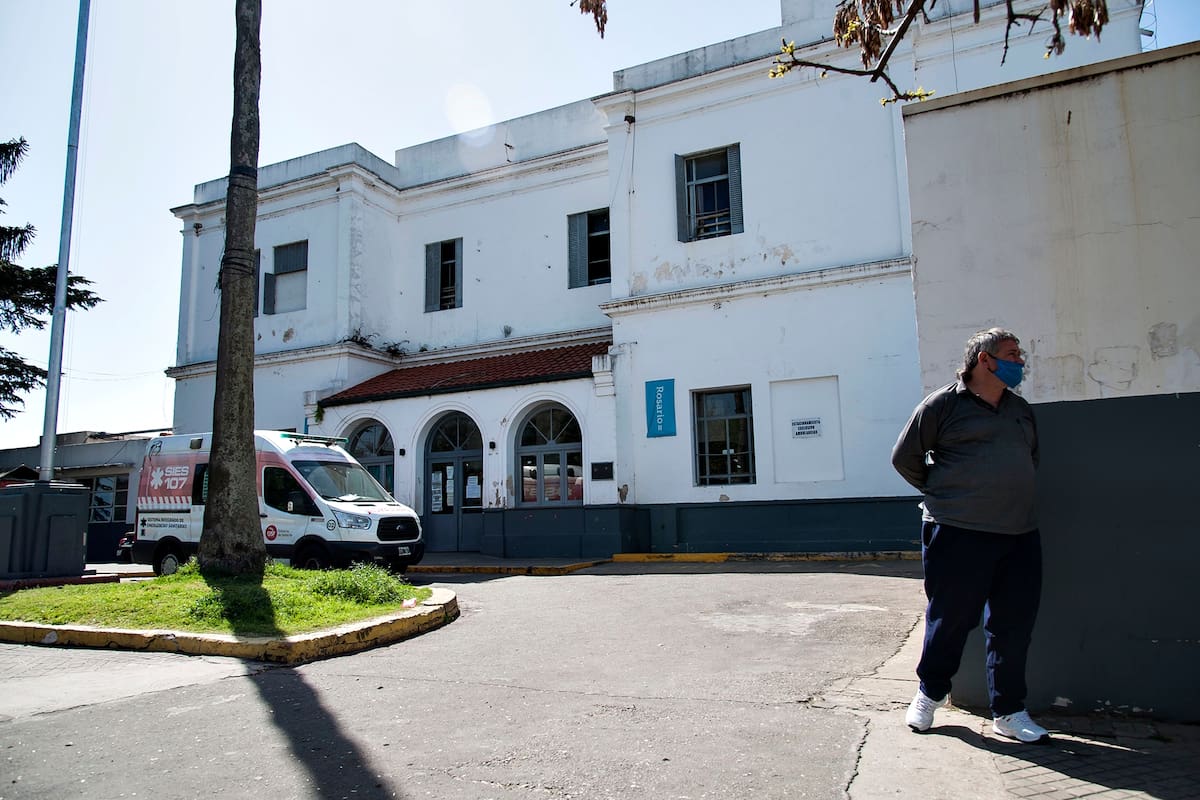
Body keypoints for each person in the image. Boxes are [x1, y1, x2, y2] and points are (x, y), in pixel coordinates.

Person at [891, 327, 1049, 743]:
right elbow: (904, 456)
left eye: (1020, 354)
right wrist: (945, 493)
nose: (1020, 361)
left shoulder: (1020, 409)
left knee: (1013, 625)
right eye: (1012, 354)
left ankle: (1010, 711)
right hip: (957, 531)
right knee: (951, 620)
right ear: (984, 359)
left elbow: (1030, 458)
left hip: (1019, 533)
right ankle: (929, 694)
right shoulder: (943, 404)